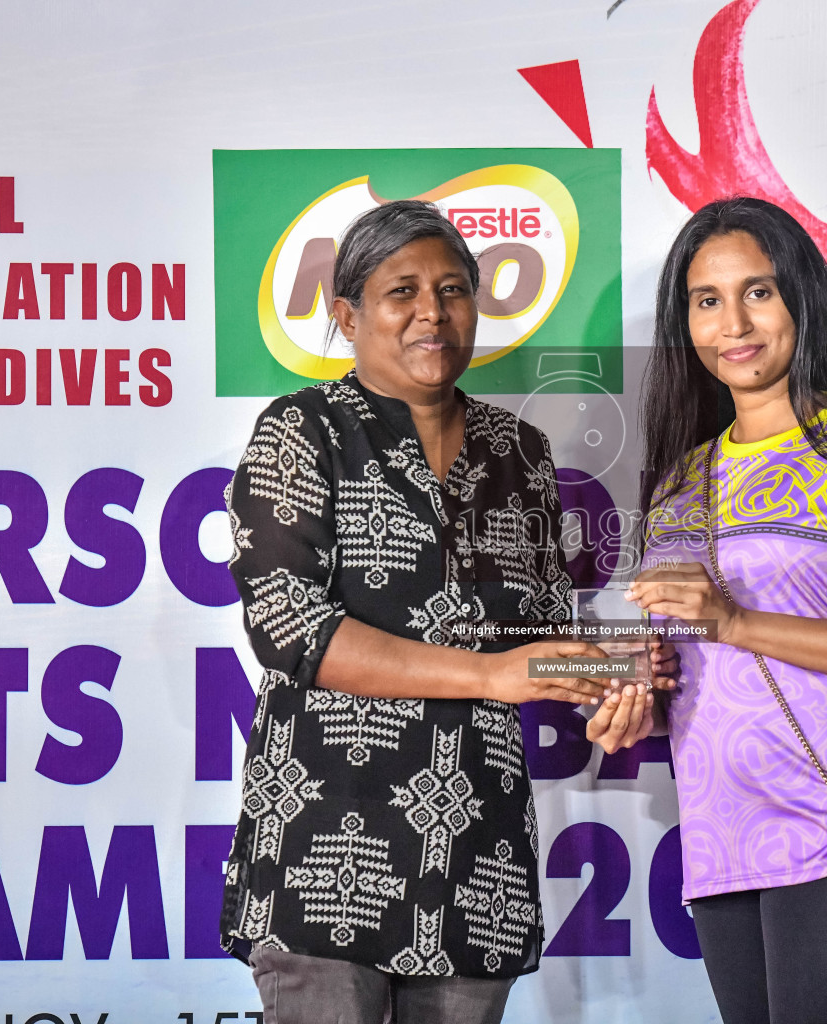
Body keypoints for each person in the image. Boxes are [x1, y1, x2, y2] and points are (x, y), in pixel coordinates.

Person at [220, 199, 622, 1024]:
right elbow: (290, 627)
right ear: (347, 315)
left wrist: (618, 678)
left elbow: (540, 633)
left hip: (477, 862)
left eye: (452, 289)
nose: (431, 313)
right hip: (329, 853)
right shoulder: (304, 430)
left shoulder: (521, 454)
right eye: (401, 291)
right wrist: (492, 673)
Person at [587, 196, 827, 1024]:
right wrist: (628, 695)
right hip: (719, 828)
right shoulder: (682, 482)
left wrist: (735, 621)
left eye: (758, 292)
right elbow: (683, 662)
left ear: (800, 297)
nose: (733, 323)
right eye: (707, 300)